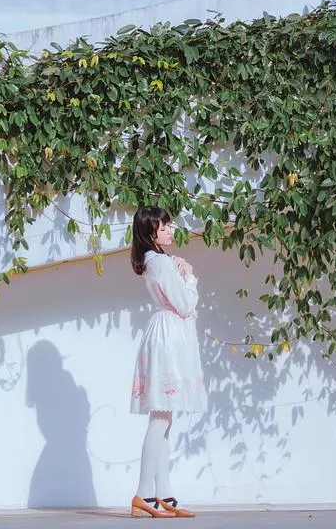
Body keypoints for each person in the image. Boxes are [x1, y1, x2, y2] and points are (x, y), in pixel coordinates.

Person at [127, 205, 208, 519]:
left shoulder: (155, 261)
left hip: (165, 333)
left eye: (168, 225)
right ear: (150, 234)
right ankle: (144, 493)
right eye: (164, 228)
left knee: (164, 417)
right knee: (161, 417)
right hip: (169, 337)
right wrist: (189, 277)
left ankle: (162, 494)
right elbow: (185, 304)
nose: (170, 230)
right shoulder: (161, 262)